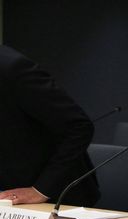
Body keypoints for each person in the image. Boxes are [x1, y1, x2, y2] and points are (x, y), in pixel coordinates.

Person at [0, 45, 100, 206]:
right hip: (8, 194)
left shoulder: (11, 67)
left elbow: (79, 127)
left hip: (54, 194)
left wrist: (40, 190)